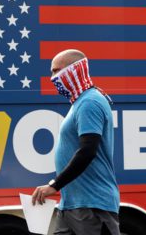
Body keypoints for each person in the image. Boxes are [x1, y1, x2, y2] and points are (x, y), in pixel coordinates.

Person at [31, 49, 120, 235]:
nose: (52, 77)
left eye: (56, 71)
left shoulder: (90, 102)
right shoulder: (78, 103)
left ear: (74, 70)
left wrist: (54, 185)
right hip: (71, 204)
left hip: (92, 206)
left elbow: (88, 151)